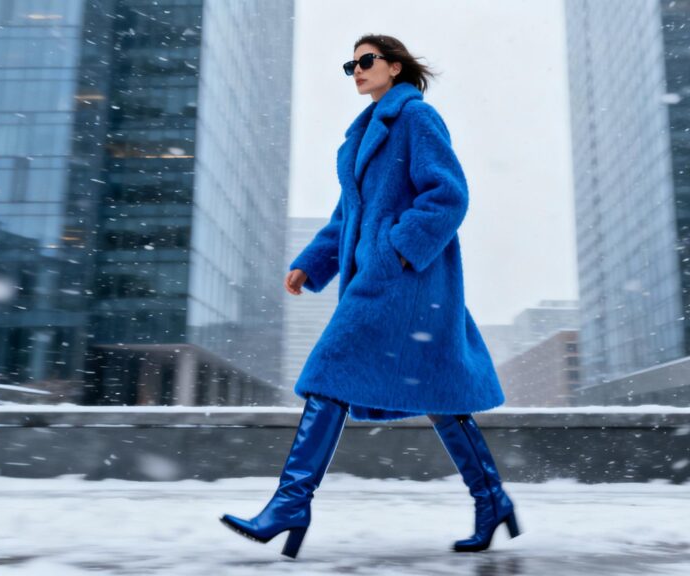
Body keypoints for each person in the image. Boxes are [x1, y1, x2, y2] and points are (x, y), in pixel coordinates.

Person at [220, 34, 519, 559]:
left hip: (405, 280)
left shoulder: (417, 119)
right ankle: (491, 499)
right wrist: (311, 263)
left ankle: (291, 503)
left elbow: (448, 195)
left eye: (366, 60)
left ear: (395, 67)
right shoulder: (361, 136)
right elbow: (348, 218)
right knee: (440, 396)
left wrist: (396, 252)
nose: (356, 70)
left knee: (329, 371)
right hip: (386, 282)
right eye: (350, 64)